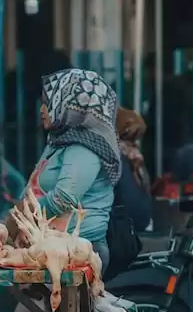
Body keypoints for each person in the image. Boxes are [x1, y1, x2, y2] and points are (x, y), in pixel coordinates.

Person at [7, 68, 119, 273]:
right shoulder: (59, 141)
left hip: (78, 252)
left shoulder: (85, 148)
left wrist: (20, 217)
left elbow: (63, 198)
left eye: (48, 103)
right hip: (50, 245)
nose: (41, 110)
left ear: (69, 105)